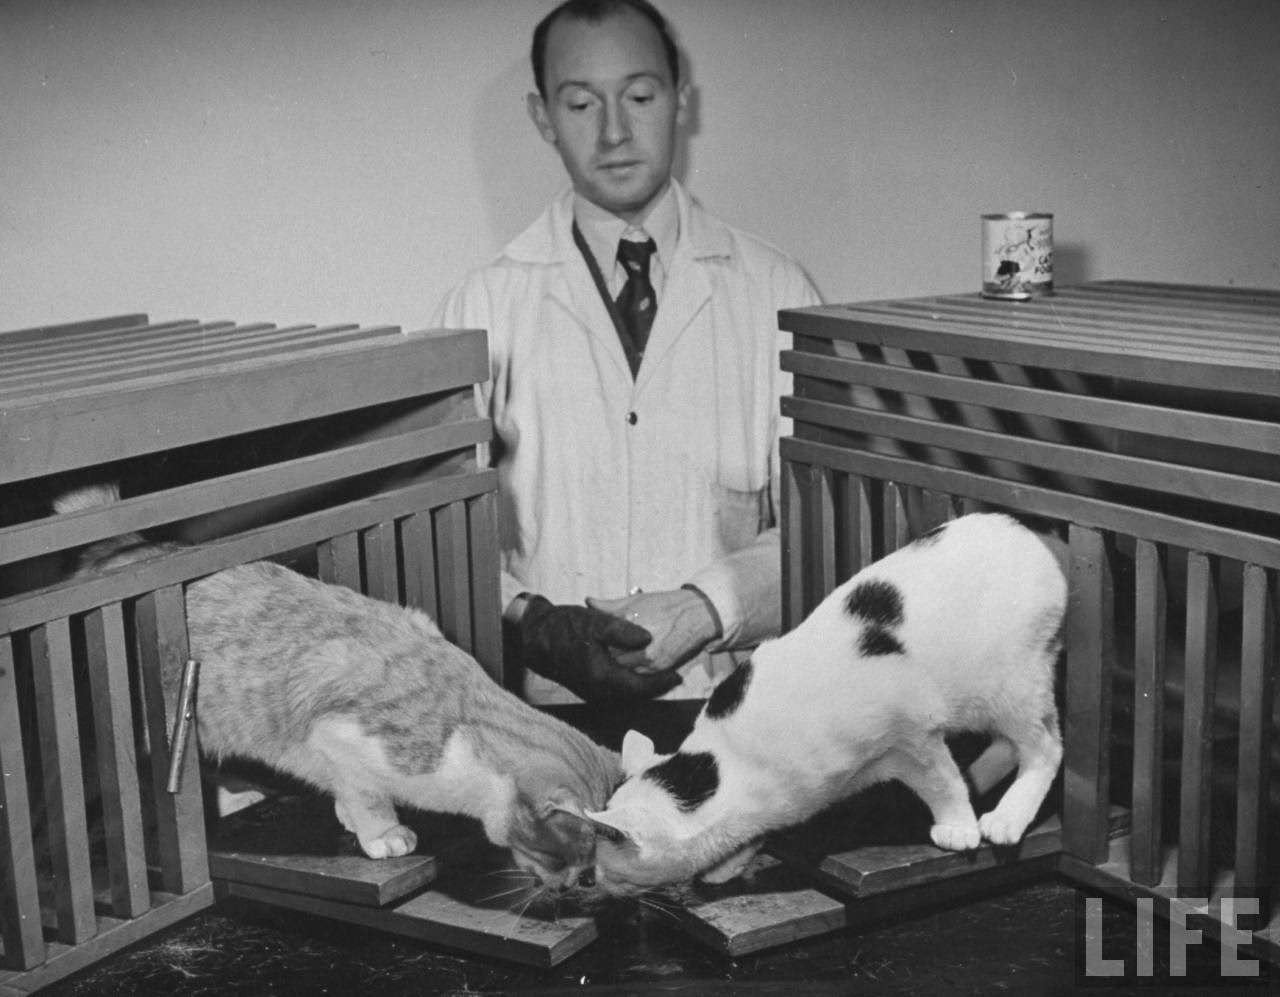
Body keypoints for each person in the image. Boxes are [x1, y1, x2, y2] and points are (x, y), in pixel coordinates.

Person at [432, 0, 821, 706]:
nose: (614, 131)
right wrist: (534, 623)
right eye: (581, 104)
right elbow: (440, 539)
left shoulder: (777, 291)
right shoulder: (481, 307)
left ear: (681, 101)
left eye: (640, 96)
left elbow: (818, 525)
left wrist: (708, 606)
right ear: (542, 117)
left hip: (743, 712)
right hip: (547, 712)